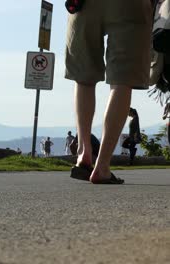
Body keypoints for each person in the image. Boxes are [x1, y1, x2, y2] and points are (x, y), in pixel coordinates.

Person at [66, 0, 153, 184]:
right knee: (122, 81)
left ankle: (84, 154)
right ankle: (102, 165)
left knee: (84, 77)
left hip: (84, 3)